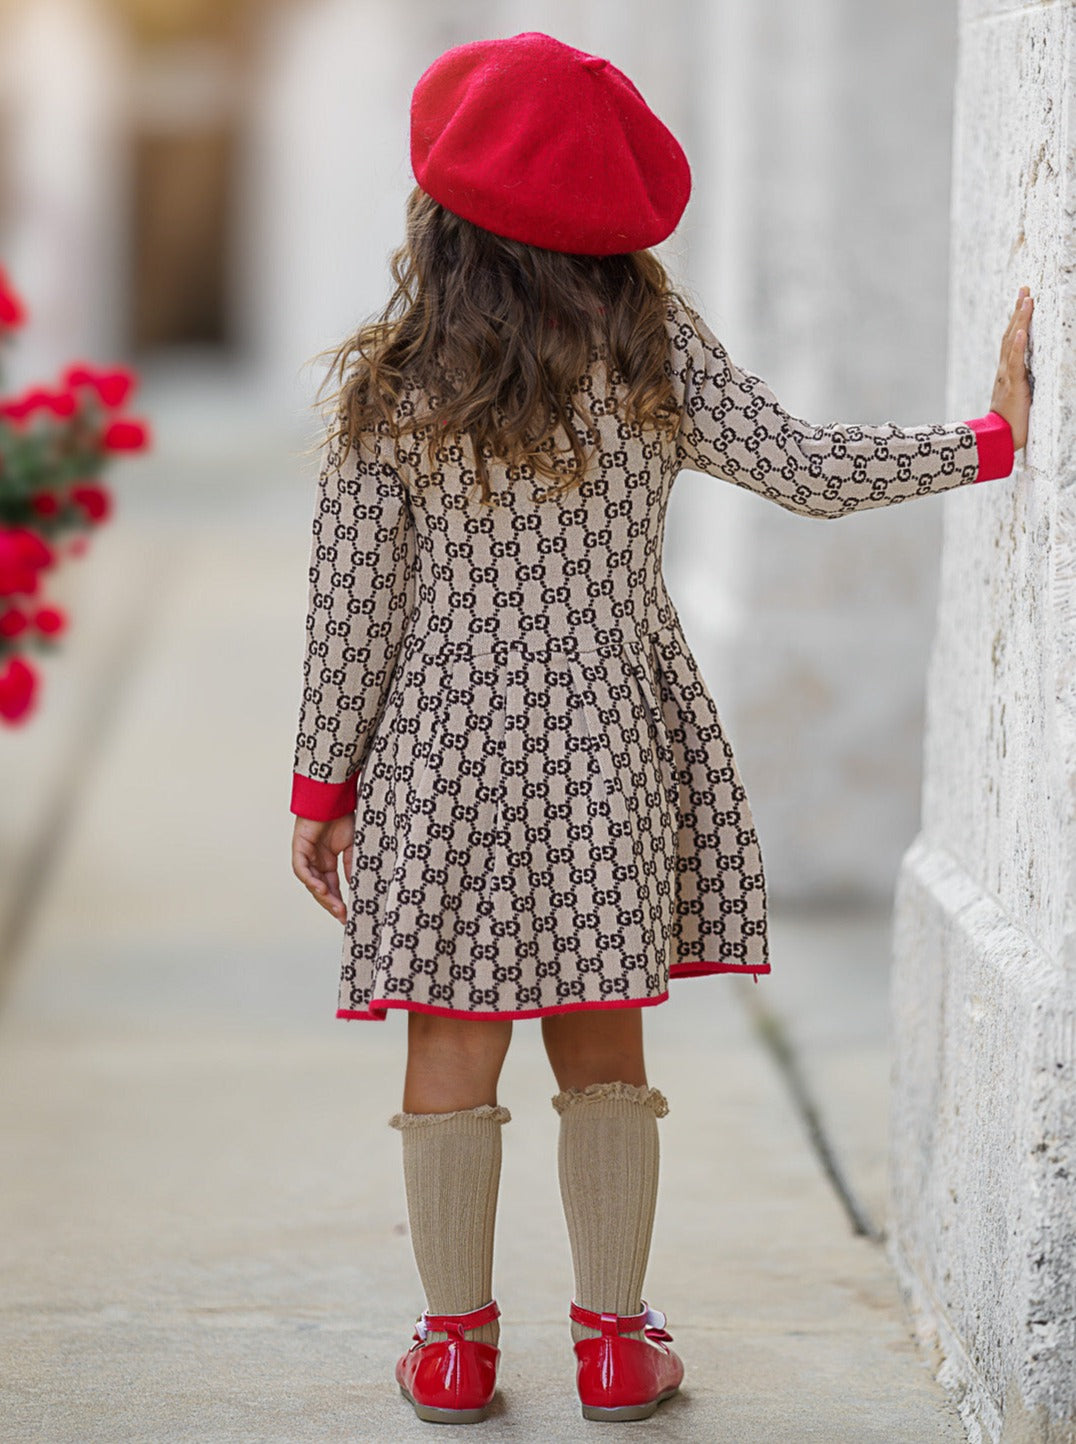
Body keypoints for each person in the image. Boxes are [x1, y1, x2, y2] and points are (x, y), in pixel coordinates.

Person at [288, 30, 1033, 1427]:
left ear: (443, 216)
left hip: (442, 745)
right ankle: (614, 1344)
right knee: (600, 1028)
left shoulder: (396, 380)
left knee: (451, 1033)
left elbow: (352, 605)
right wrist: (984, 443)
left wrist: (320, 785)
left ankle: (454, 1349)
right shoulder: (649, 345)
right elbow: (807, 470)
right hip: (605, 741)